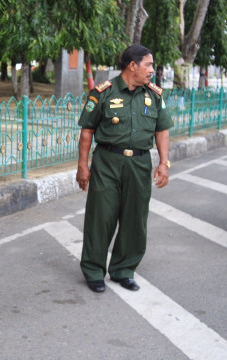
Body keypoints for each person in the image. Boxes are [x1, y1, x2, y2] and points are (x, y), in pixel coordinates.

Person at [76, 44, 173, 293]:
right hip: (107, 162)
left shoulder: (154, 94)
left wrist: (164, 163)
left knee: (135, 219)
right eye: (148, 65)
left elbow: (162, 130)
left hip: (140, 164)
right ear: (133, 65)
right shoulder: (103, 93)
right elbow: (87, 131)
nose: (152, 70)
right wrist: (82, 166)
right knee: (101, 217)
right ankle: (94, 270)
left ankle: (123, 270)